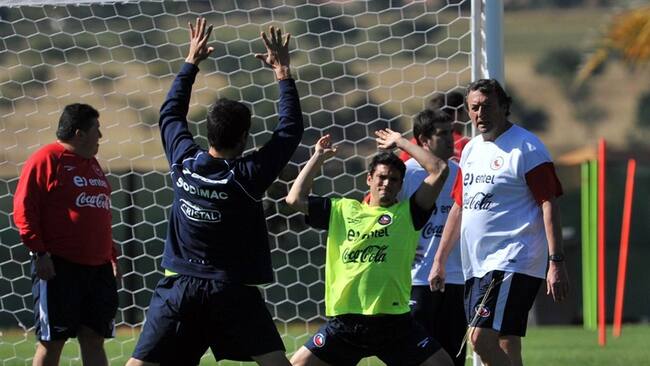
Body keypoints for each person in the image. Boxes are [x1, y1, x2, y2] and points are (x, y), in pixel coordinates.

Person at [125, 18, 302, 366]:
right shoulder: (248, 176)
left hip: (181, 288)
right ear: (244, 139)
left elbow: (170, 113)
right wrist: (282, 72)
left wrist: (191, 63)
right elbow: (289, 131)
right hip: (230, 290)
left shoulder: (184, 160)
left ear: (208, 133)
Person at [429, 79, 569, 366]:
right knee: (507, 341)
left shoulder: (527, 148)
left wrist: (556, 262)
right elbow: (460, 206)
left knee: (480, 339)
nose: (480, 114)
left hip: (513, 259)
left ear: (504, 107)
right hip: (477, 264)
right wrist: (439, 259)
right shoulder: (470, 150)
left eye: (487, 106)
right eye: (474, 108)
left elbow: (548, 203)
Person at [286, 130, 453, 366]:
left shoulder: (408, 213)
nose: (386, 183)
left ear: (400, 185)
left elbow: (439, 170)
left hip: (394, 324)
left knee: (443, 364)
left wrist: (401, 142)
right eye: (381, 177)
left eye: (394, 179)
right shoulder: (343, 210)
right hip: (346, 324)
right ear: (369, 179)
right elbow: (294, 199)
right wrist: (318, 157)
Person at [13, 103, 120, 366]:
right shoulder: (46, 159)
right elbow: (24, 209)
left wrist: (111, 256)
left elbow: (101, 215)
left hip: (98, 270)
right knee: (52, 341)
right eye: (97, 129)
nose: (101, 136)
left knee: (94, 338)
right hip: (59, 266)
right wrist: (39, 252)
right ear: (78, 133)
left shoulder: (93, 165)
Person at [398, 109, 466, 366]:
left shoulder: (462, 173)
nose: (452, 139)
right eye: (443, 134)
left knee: (453, 356)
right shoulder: (405, 174)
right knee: (415, 356)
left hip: (457, 278)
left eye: (452, 133)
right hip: (416, 279)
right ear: (423, 140)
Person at [399, 90, 469, 162]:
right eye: (465, 112)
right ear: (456, 114)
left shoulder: (411, 144)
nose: (467, 117)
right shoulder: (464, 144)